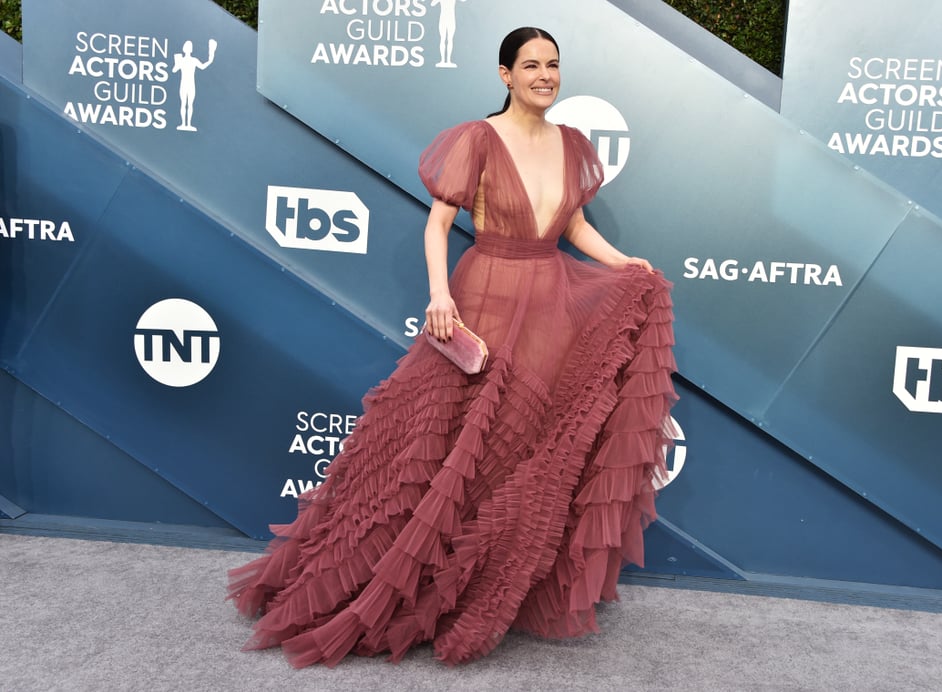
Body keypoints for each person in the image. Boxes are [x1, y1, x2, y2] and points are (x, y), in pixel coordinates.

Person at [228, 26, 678, 667]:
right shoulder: (477, 139)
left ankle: (470, 588)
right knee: (443, 442)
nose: (545, 76)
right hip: (483, 296)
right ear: (505, 75)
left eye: (553, 65)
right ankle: (395, 585)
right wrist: (440, 297)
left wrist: (625, 263)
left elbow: (574, 224)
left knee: (510, 444)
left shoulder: (572, 145)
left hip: (549, 300)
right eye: (531, 65)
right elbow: (440, 223)